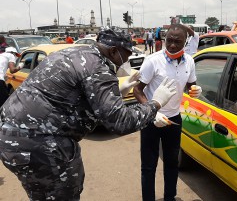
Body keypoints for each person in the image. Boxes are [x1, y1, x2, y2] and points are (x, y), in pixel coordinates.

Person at [0, 28, 177, 200]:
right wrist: (156, 103)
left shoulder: (75, 53)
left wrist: (118, 91)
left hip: (10, 141)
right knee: (64, 194)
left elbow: (74, 97)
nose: (128, 60)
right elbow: (119, 122)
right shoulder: (98, 68)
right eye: (127, 55)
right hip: (42, 145)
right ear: (114, 51)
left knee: (41, 195)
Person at [134, 24, 202, 201]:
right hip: (151, 120)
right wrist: (151, 111)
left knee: (172, 163)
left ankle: (169, 197)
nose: (172, 45)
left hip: (173, 120)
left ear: (185, 42)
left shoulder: (190, 61)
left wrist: (194, 90)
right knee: (149, 166)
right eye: (169, 41)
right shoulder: (153, 61)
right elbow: (137, 90)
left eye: (177, 42)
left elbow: (190, 85)